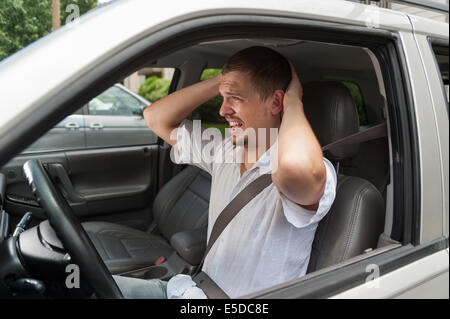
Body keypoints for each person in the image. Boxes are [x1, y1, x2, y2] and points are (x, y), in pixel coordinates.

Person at [113, 46, 337, 299]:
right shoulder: (224, 151)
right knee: (83, 286)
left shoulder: (316, 173)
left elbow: (293, 167)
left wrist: (294, 101)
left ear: (276, 102)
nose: (222, 110)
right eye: (223, 97)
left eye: (236, 98)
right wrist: (225, 80)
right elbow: (156, 118)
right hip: (191, 291)